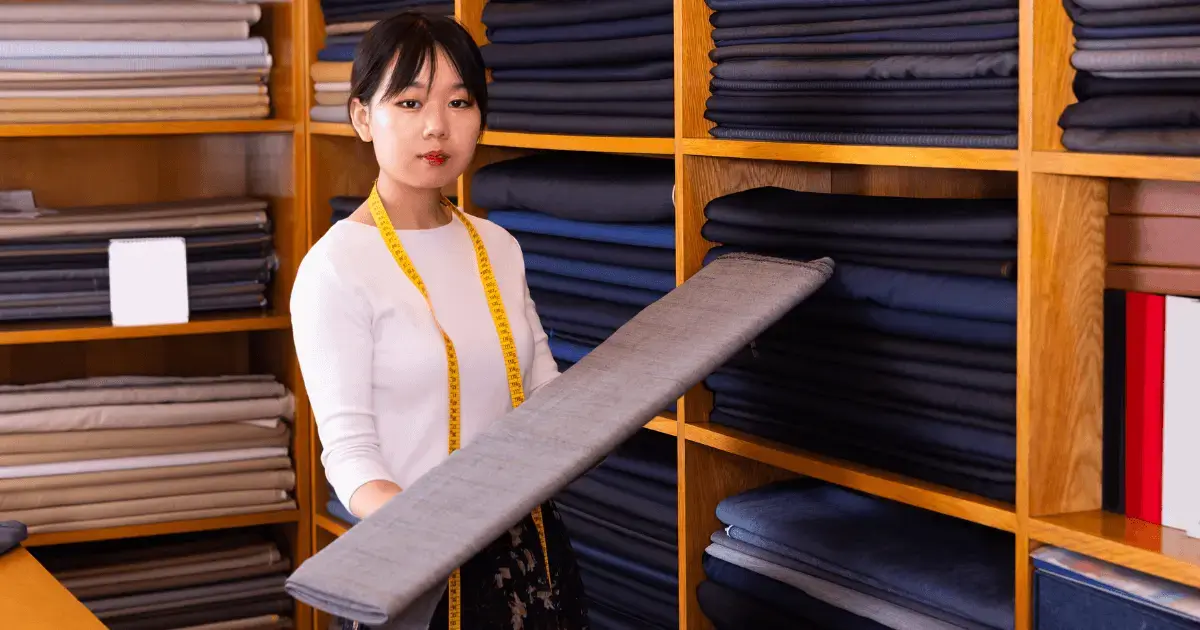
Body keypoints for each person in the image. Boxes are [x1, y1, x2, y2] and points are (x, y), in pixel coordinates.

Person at [289, 12, 589, 630]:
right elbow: (350, 459)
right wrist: (432, 531)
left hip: (530, 557)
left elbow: (541, 397)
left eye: (459, 101)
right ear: (362, 118)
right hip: (416, 572)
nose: (437, 124)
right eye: (408, 100)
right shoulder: (336, 269)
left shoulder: (498, 246)